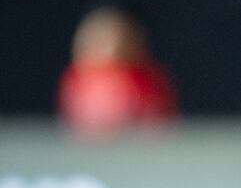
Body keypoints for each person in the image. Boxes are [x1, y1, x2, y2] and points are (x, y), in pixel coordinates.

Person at [58, 7, 178, 137]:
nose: (110, 47)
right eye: (100, 38)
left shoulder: (150, 78)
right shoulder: (78, 78)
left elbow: (159, 123)